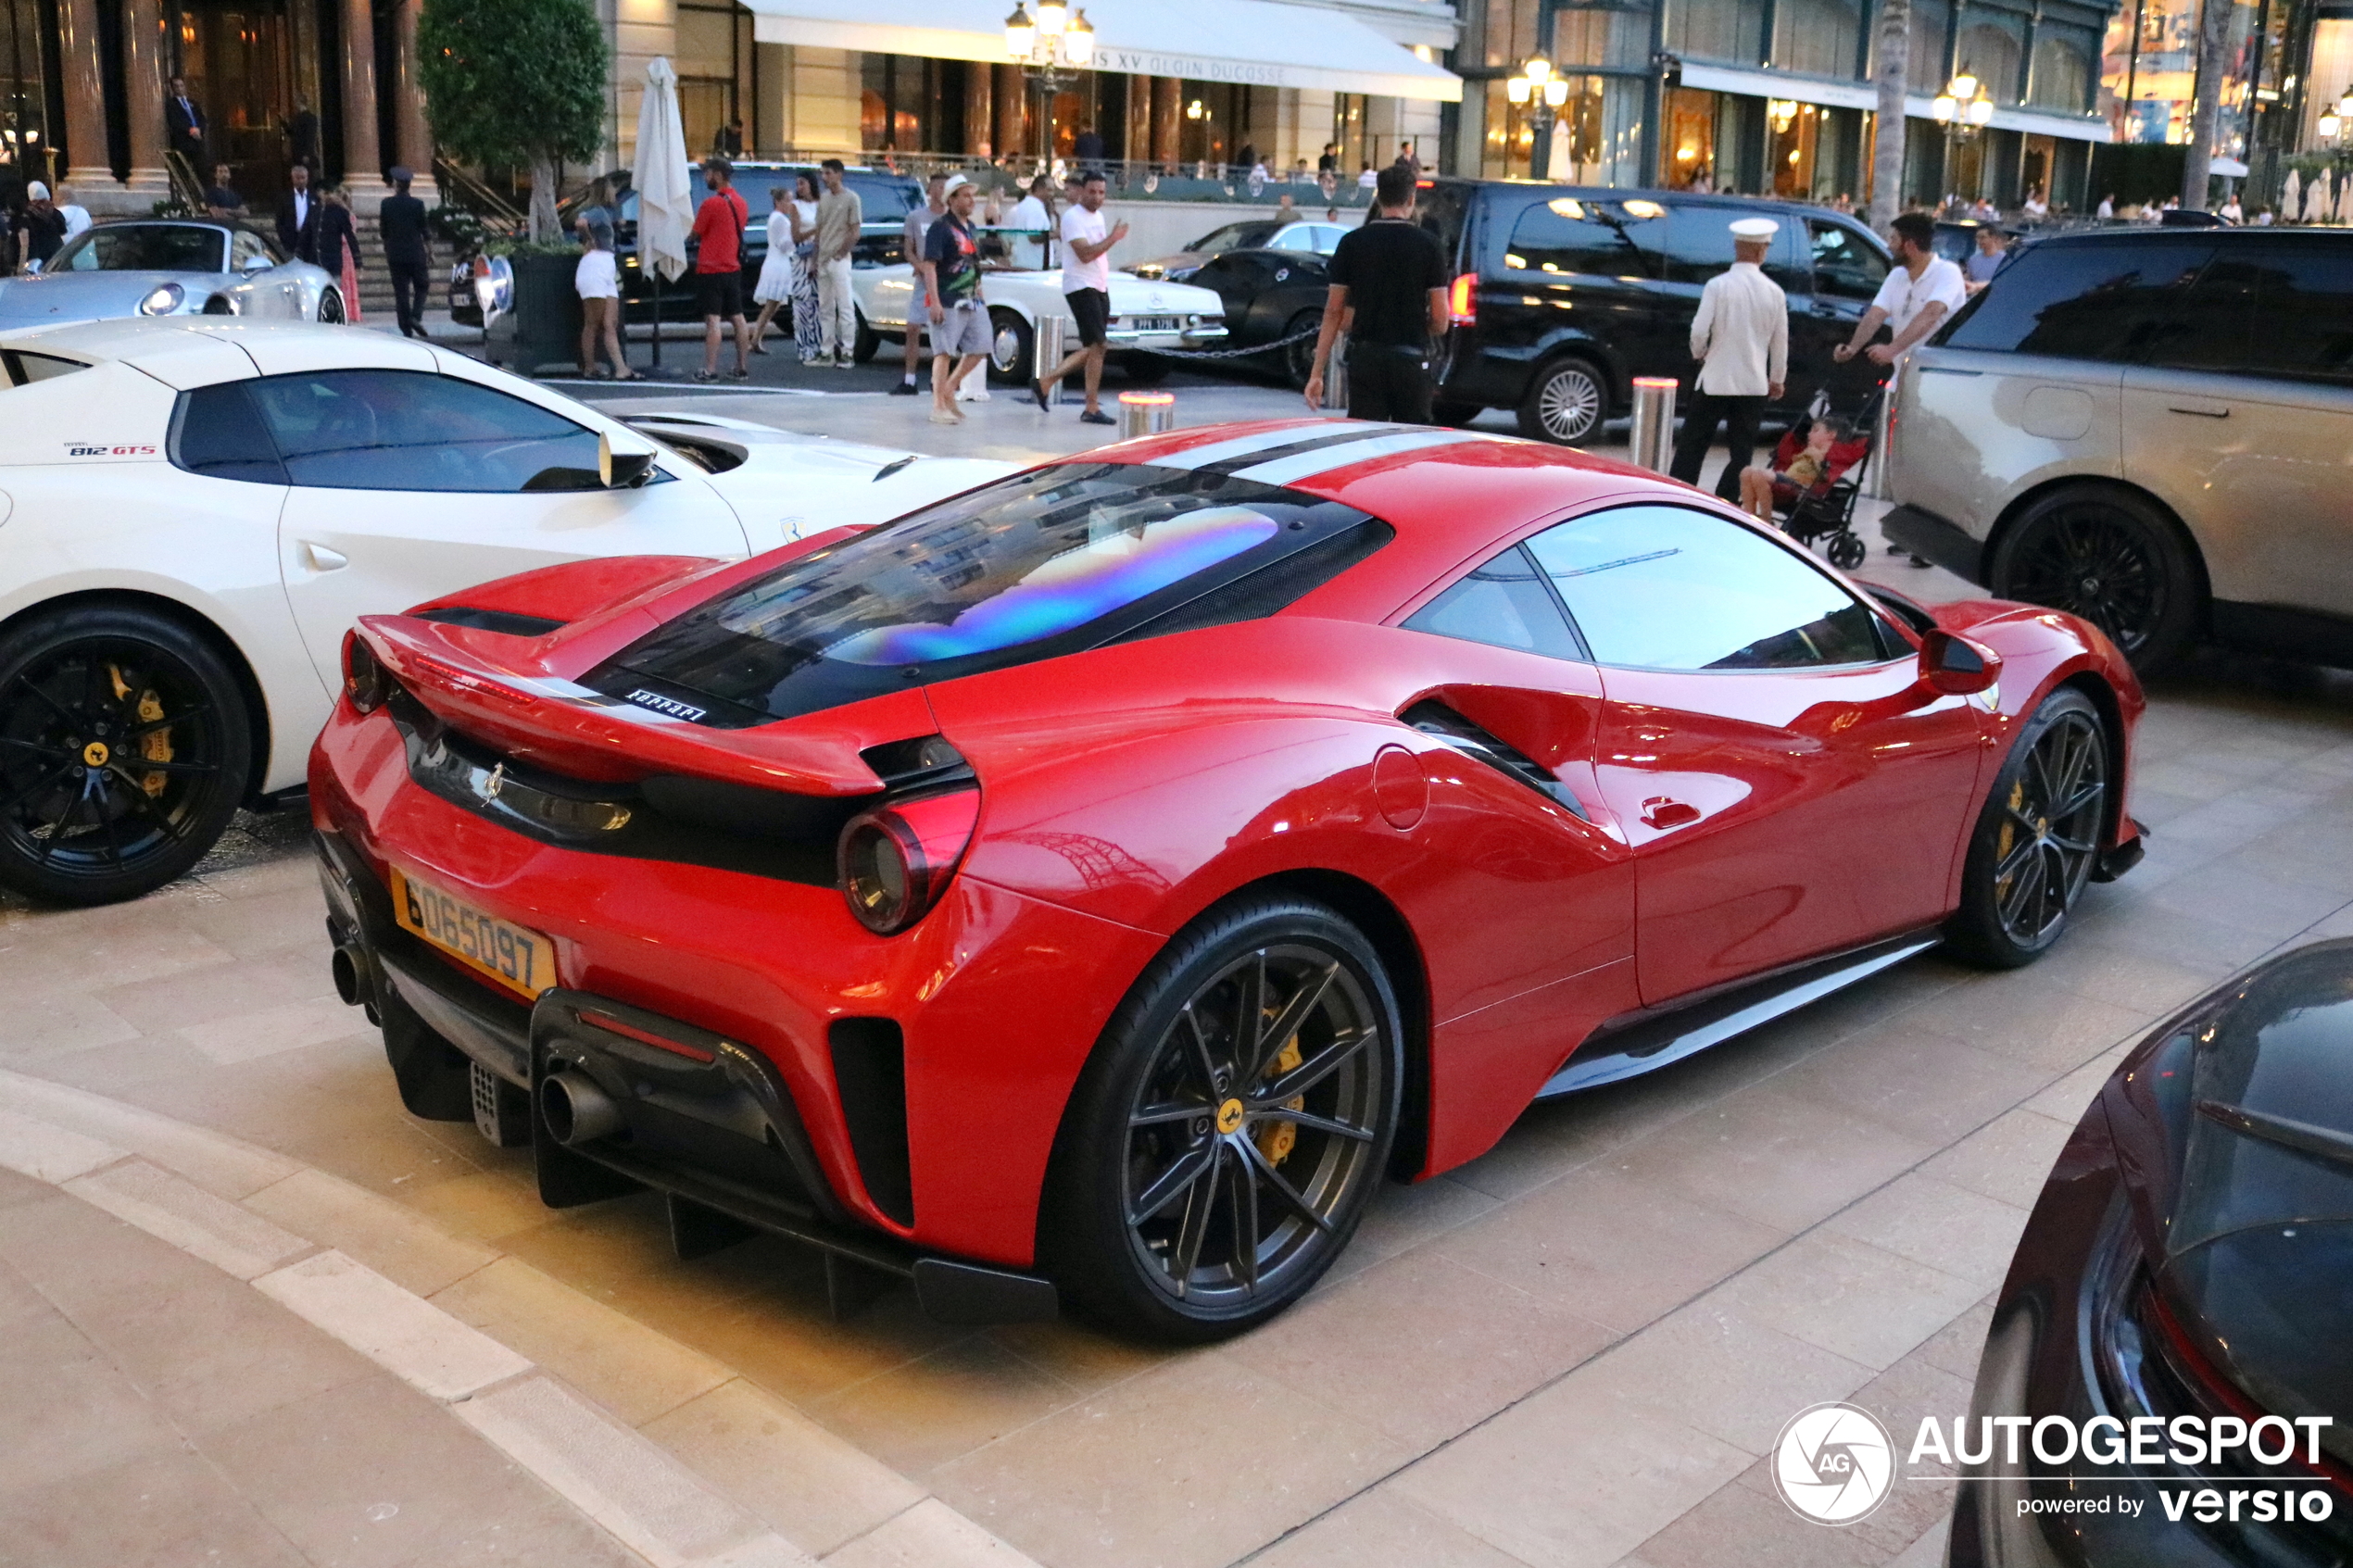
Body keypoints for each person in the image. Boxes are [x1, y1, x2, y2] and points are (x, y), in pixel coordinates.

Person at [1304, 163, 1447, 421]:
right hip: (1411, 360)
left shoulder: (1352, 243)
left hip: (1366, 358)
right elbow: (1440, 320)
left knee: (1367, 443)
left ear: (1379, 197)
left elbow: (1334, 311)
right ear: (1411, 198)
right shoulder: (1430, 246)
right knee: (1410, 447)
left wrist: (1317, 373)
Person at [1668, 217, 1787, 500]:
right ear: (1762, 251)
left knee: (1692, 446)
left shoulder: (1717, 286)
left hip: (1715, 379)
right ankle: (1725, 499)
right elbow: (1780, 342)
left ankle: (1677, 495)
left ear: (1736, 248)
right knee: (1741, 452)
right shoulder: (1774, 292)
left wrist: (1700, 353)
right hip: (1753, 384)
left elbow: (1699, 329)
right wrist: (1777, 379)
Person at [1034, 169, 1128, 425]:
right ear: (1081, 191)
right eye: (1092, 192)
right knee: (1096, 345)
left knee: (1097, 347)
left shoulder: (1096, 216)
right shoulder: (1073, 218)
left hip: (1098, 285)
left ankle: (1090, 405)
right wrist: (1113, 238)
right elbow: (1085, 254)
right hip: (1080, 285)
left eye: (1101, 192)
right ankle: (1048, 381)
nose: (1097, 197)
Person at [1833, 209, 1967, 371]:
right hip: (1900, 372)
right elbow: (1875, 315)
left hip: (1935, 373)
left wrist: (1891, 350)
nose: (1889, 245)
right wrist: (1853, 347)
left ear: (1909, 246)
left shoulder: (1948, 272)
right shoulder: (1897, 275)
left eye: (1893, 239)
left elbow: (1931, 314)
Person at [922, 176, 989, 424]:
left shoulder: (971, 227)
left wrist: (980, 292)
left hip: (972, 298)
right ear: (952, 200)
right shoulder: (940, 227)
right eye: (965, 195)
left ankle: (949, 389)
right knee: (943, 352)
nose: (971, 200)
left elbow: (974, 263)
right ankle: (938, 405)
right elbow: (929, 265)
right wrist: (935, 301)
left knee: (982, 345)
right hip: (948, 298)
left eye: (972, 195)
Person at [690, 157, 752, 382]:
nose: (705, 177)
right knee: (738, 317)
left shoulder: (710, 204)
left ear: (716, 174)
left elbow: (695, 233)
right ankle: (741, 366)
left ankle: (710, 368)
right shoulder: (742, 203)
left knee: (713, 320)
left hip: (710, 268)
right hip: (732, 267)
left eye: (707, 173)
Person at [894, 171, 948, 394]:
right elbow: (908, 249)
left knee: (943, 332)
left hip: (945, 281)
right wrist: (920, 266)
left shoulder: (951, 220)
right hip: (923, 280)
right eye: (937, 187)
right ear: (930, 190)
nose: (941, 191)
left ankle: (939, 380)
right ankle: (909, 380)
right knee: (913, 327)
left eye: (945, 187)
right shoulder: (916, 217)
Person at [1737, 416, 1844, 523]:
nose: (1810, 434)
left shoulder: (1828, 454)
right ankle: (1750, 515)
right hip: (1785, 479)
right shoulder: (1805, 447)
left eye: (1815, 431)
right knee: (1746, 472)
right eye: (1811, 430)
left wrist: (1816, 457)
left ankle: (1766, 519)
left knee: (1758, 476)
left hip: (1799, 487)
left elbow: (1822, 475)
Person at [574, 191, 632, 380]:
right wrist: (589, 239)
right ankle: (589, 367)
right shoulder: (596, 211)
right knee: (592, 323)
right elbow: (580, 223)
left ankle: (621, 368)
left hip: (606, 266)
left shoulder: (606, 213)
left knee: (609, 323)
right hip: (596, 266)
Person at [812, 158, 862, 367]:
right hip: (824, 258)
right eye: (823, 173)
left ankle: (848, 352)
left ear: (839, 174)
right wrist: (815, 259)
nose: (825, 178)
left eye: (828, 173)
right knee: (825, 307)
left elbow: (855, 231)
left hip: (839, 259)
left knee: (845, 306)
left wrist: (841, 253)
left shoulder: (851, 198)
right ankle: (827, 351)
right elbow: (819, 230)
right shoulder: (823, 199)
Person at [749, 181, 801, 358]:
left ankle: (756, 339)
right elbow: (784, 244)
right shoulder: (780, 220)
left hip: (775, 262)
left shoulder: (776, 218)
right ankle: (756, 339)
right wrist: (797, 246)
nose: (791, 204)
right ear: (778, 202)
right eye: (788, 200)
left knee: (772, 306)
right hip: (779, 265)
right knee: (773, 305)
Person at [380, 165, 432, 340]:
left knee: (401, 293)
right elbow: (424, 230)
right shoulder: (417, 204)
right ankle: (415, 317)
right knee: (422, 285)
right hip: (415, 253)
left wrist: (388, 250)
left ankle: (406, 329)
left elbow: (383, 232)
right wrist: (430, 252)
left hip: (395, 255)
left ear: (395, 184)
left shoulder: (386, 204)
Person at [318, 184, 362, 321]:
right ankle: (350, 311)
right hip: (346, 253)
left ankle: (343, 310)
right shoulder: (347, 214)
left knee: (343, 283)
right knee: (347, 283)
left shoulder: (341, 214)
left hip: (342, 252)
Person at [1005, 174, 1053, 268]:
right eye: (1049, 190)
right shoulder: (1035, 209)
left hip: (1024, 262)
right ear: (1039, 189)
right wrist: (1055, 234)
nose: (1052, 194)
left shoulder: (1024, 206)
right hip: (1036, 265)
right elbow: (1033, 237)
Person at [276, 162, 321, 263]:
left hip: (310, 239)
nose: (300, 181)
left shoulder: (314, 197)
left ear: (307, 178)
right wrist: (284, 238)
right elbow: (279, 220)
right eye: (297, 178)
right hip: (292, 238)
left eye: (303, 178)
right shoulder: (285, 198)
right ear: (292, 178)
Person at [17, 182, 66, 271]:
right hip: (57, 256)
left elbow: (25, 244)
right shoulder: (56, 213)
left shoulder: (27, 215)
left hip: (37, 258)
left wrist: (20, 267)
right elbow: (63, 232)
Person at [166, 76, 206, 167]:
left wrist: (199, 129)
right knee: (184, 168)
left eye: (181, 85)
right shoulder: (171, 104)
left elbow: (202, 119)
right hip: (183, 142)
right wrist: (190, 130)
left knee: (200, 168)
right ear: (172, 88)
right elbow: (175, 121)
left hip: (197, 141)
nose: (180, 88)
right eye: (176, 86)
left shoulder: (193, 103)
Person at [1962, 224, 2007, 293]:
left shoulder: (2004, 259)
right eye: (1977, 237)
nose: (1979, 241)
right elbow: (1968, 277)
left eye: (1982, 237)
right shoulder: (1973, 260)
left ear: (1993, 238)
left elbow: (2002, 282)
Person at [287, 97, 320, 174]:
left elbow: (310, 137)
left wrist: (307, 154)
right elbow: (291, 132)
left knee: (305, 175)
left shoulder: (307, 118)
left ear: (299, 103)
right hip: (299, 153)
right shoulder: (299, 117)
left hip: (303, 153)